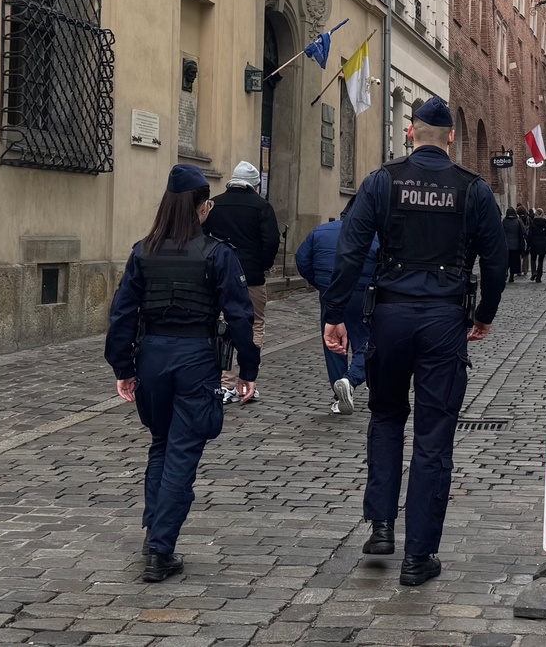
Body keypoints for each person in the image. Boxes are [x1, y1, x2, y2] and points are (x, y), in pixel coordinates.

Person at [322, 96, 506, 587]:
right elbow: (496, 261)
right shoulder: (473, 189)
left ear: (410, 132)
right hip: (444, 320)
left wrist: (335, 315)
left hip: (389, 317)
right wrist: (484, 314)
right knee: (433, 434)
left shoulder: (382, 181)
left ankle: (381, 526)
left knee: (385, 417)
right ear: (450, 138)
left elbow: (350, 251)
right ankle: (418, 556)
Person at [104, 165, 260, 583]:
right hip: (195, 357)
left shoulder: (143, 251)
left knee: (161, 443)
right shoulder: (216, 254)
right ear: (202, 208)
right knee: (182, 451)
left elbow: (122, 314)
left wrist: (123, 366)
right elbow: (240, 315)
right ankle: (160, 549)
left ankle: (154, 531)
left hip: (152, 356)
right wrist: (248, 368)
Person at [204, 160, 280, 403]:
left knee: (224, 325)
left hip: (220, 275)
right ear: (255, 185)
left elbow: (203, 237)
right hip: (251, 276)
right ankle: (248, 380)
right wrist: (261, 265)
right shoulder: (261, 206)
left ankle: (226, 384)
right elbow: (271, 241)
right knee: (255, 324)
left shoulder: (214, 204)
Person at [295, 197, 378, 415]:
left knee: (333, 343)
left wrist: (322, 285)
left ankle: (339, 390)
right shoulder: (375, 235)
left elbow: (302, 260)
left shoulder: (319, 232)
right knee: (367, 340)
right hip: (362, 294)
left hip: (329, 293)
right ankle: (351, 380)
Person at [527, 209, 546, 283]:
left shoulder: (532, 223)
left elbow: (530, 235)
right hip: (543, 243)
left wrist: (529, 244)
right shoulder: (545, 223)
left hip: (534, 242)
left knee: (533, 259)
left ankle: (534, 271)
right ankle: (539, 277)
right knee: (541, 261)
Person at [502, 207, 526, 283]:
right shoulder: (518, 221)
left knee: (506, 260)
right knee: (514, 260)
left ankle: (505, 272)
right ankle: (511, 276)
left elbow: (500, 231)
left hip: (506, 244)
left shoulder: (504, 221)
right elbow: (523, 230)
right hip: (516, 244)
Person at [516, 204, 531, 277]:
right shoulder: (528, 219)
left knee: (518, 255)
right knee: (526, 254)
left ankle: (518, 270)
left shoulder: (516, 220)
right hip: (527, 238)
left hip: (518, 238)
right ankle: (525, 269)